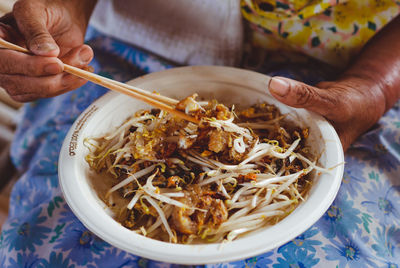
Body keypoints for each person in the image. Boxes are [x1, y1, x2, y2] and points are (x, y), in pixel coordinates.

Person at [0, 0, 399, 267]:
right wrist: (66, 6)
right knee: (50, 246)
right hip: (128, 47)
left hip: (348, 75)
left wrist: (375, 86)